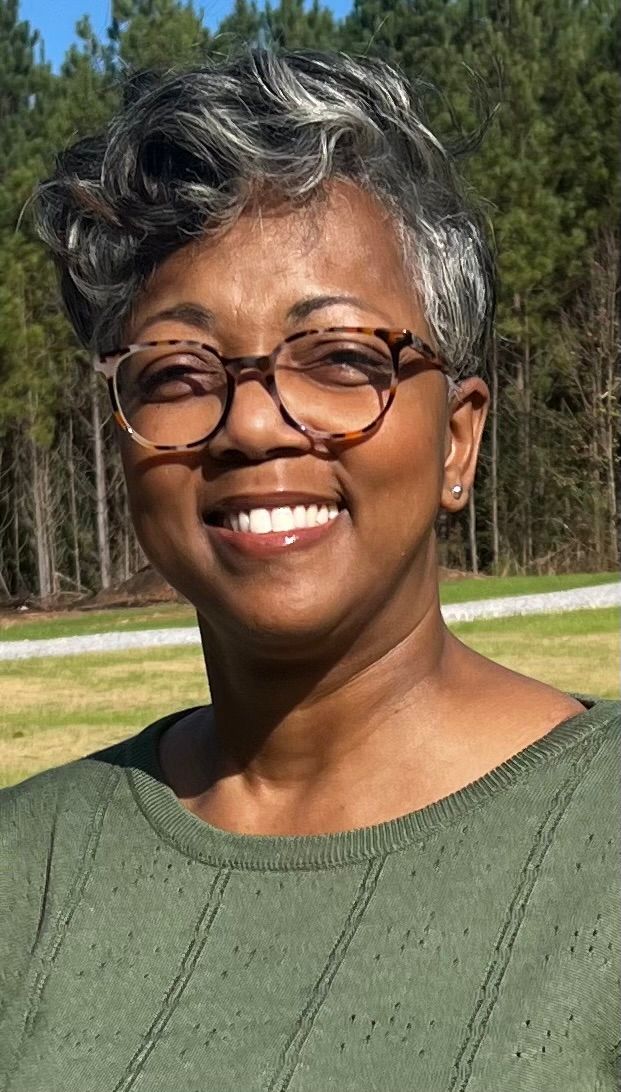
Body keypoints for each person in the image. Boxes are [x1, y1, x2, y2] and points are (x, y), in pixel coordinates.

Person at [1, 49, 618, 1092]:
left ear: (457, 440)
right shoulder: (29, 871)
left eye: (338, 358)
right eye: (177, 372)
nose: (250, 425)